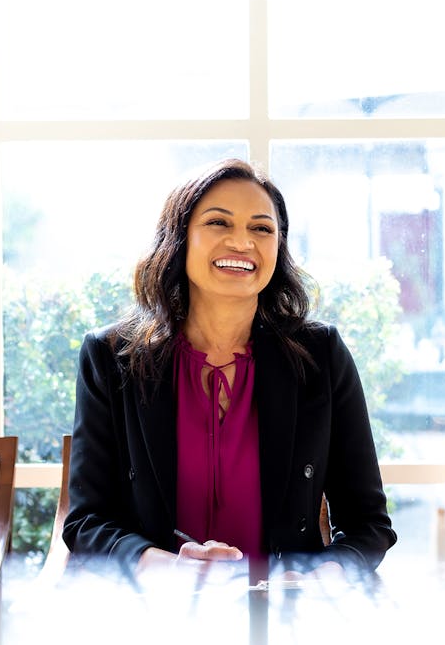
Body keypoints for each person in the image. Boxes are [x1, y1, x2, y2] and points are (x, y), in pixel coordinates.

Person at [63, 158, 396, 581]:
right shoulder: (112, 357)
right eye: (218, 222)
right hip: (159, 605)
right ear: (178, 238)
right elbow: (86, 522)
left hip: (286, 606)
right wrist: (168, 567)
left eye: (262, 228)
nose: (242, 242)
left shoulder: (321, 355)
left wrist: (319, 578)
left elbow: (369, 524)